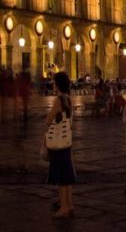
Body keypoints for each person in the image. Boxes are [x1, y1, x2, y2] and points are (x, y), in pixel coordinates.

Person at [46, 72, 76, 218]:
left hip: (58, 142)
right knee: (67, 176)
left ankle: (63, 207)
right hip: (67, 141)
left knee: (61, 177)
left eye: (54, 82)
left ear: (57, 84)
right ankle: (69, 205)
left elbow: (48, 119)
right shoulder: (68, 99)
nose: (53, 84)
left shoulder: (59, 100)